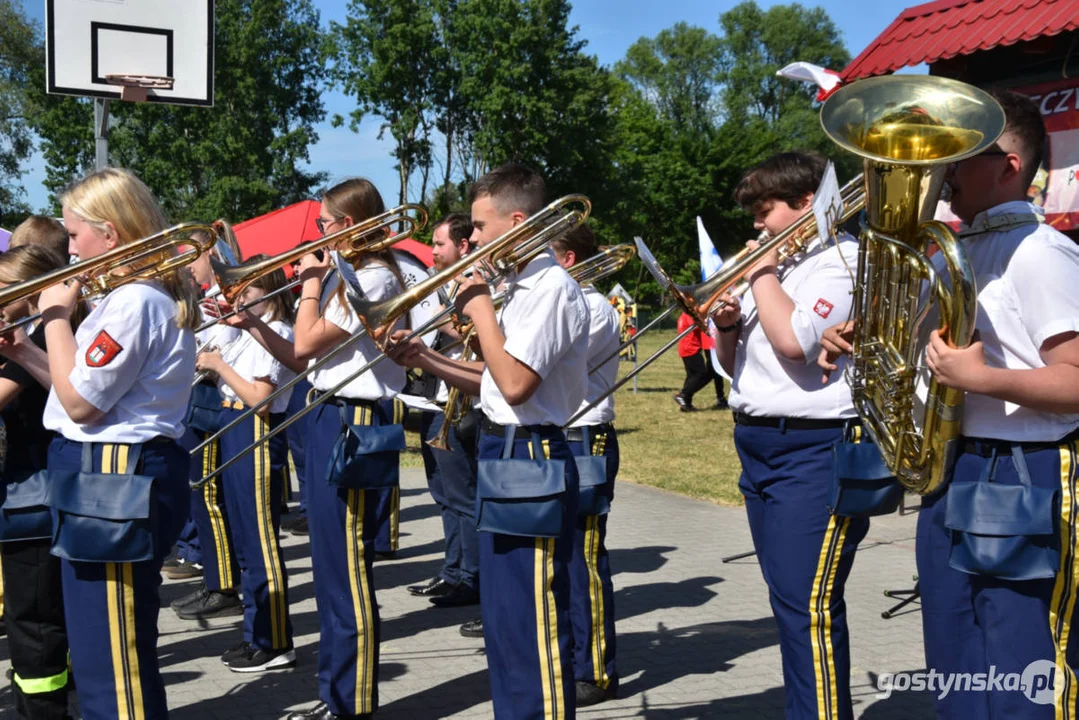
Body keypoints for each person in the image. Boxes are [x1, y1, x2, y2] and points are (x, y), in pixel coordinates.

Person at [820, 91, 1079, 720]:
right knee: (957, 662)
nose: (941, 174)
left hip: (1027, 470)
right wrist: (868, 337)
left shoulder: (1041, 253)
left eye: (959, 158)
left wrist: (982, 379)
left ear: (1009, 164)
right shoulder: (950, 251)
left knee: (1024, 669)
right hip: (957, 468)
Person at [388, 164, 590, 719]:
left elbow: (518, 385)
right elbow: (495, 381)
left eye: (478, 225)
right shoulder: (518, 286)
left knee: (532, 619)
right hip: (504, 449)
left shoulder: (550, 287)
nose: (471, 237)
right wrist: (426, 357)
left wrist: (478, 309)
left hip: (532, 454)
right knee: (504, 618)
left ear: (517, 221)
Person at [36, 167, 198, 719]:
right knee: (104, 639)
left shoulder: (134, 301)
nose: (69, 248)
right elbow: (75, 392)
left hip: (114, 470)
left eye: (74, 234)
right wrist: (27, 352)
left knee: (111, 653)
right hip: (108, 467)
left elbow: (83, 403)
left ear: (109, 234)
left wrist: (54, 317)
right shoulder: (132, 298)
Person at [712, 151, 866, 720]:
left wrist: (758, 272)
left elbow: (795, 345)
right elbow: (732, 364)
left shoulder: (842, 260)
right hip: (757, 442)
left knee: (810, 605)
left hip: (815, 448)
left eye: (764, 209)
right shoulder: (778, 265)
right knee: (788, 603)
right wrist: (727, 326)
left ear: (806, 203)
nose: (756, 223)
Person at [278, 177, 408, 720]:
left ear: (349, 227)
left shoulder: (372, 279)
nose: (319, 235)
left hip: (353, 420)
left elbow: (307, 342)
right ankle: (335, 694)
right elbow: (302, 357)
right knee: (331, 567)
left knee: (346, 569)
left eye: (325, 225)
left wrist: (309, 284)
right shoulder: (348, 276)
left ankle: (350, 702)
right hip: (330, 413)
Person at [195, 257, 297, 672]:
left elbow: (260, 399)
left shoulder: (278, 331)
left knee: (261, 544)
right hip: (230, 423)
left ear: (266, 290)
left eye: (245, 288)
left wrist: (219, 365)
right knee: (243, 540)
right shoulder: (241, 326)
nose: (236, 295)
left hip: (254, 429)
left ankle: (275, 641)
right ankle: (256, 633)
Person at [0, 244, 74, 719]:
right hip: (32, 491)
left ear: (32, 292)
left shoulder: (42, 339)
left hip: (36, 496)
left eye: (4, 288)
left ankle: (43, 711)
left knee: (34, 622)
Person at [552, 223, 621, 707]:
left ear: (570, 259)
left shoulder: (593, 306)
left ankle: (595, 669)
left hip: (586, 438)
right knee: (561, 558)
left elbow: (550, 364)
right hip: (562, 435)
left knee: (584, 560)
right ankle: (569, 656)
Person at [406, 212, 482, 609]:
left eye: (438, 244)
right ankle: (452, 569)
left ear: (462, 246)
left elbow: (480, 338)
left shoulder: (474, 286)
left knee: (461, 493)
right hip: (432, 396)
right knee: (441, 491)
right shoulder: (440, 285)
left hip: (461, 402)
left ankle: (471, 577)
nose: (432, 251)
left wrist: (445, 322)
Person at [170, 222, 244, 620]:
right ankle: (214, 577)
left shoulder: (225, 298)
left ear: (210, 255)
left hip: (214, 404)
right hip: (200, 402)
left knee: (210, 499)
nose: (187, 268)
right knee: (201, 497)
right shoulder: (207, 299)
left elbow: (225, 348)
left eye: (191, 258)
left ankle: (223, 585)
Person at [674, 311, 727, 412]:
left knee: (691, 376)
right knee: (701, 373)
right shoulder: (689, 315)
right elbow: (697, 324)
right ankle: (684, 394)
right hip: (690, 349)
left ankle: (686, 404)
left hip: (686, 349)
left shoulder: (683, 314)